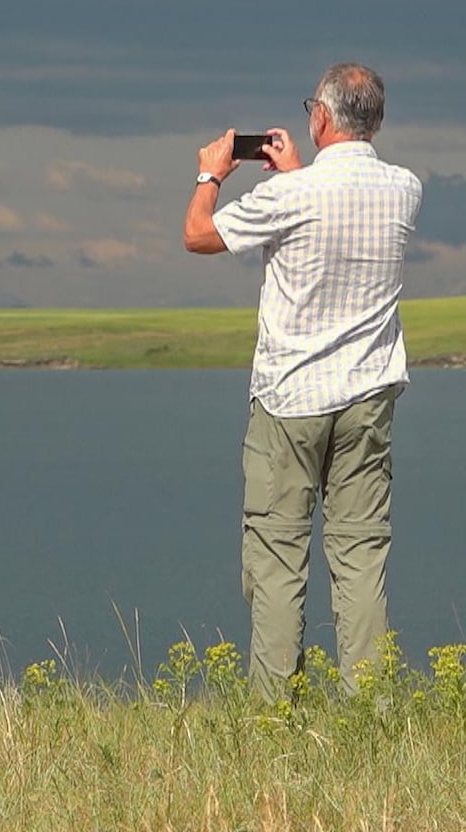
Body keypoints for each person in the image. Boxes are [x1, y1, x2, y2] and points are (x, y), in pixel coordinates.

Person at [183, 63, 423, 701]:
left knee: (277, 555)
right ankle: (368, 709)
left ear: (320, 116)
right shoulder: (405, 189)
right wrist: (296, 173)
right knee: (361, 553)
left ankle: (273, 712)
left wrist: (212, 174)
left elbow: (199, 235)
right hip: (369, 397)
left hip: (290, 400)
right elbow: (336, 215)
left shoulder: (290, 198)